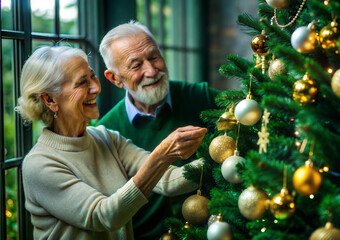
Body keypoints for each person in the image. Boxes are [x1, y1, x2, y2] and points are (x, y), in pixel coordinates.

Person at [15, 46, 207, 239]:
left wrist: (225, 153)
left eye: (92, 76)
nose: (96, 88)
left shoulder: (106, 138)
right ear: (49, 99)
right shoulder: (39, 164)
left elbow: (168, 180)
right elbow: (104, 216)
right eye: (82, 83)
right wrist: (162, 155)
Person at [98, 21, 220, 239]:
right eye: (136, 66)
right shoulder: (106, 131)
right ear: (115, 78)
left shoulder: (201, 96)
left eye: (154, 57)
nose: (151, 71)